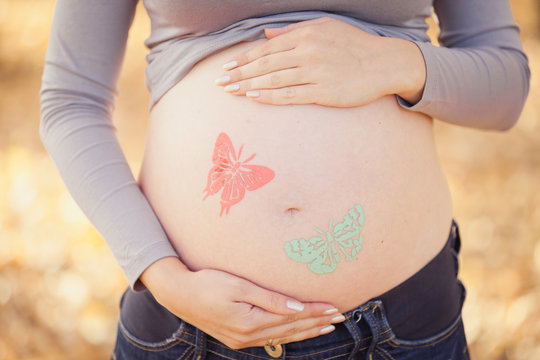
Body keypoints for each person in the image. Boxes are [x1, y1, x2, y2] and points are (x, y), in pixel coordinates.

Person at [40, 1, 529, 359]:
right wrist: (163, 278)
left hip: (402, 324)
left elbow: (506, 86)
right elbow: (70, 103)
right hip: (188, 323)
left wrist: (392, 61)